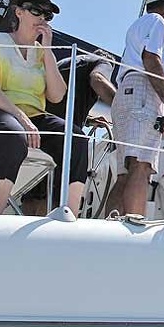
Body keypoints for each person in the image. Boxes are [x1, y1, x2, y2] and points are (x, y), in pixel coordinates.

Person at [0, 0, 88, 216]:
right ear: (19, 12)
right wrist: (22, 119)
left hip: (34, 118)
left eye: (48, 16)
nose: (42, 18)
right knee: (15, 137)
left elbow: (56, 95)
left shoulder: (42, 53)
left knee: (77, 138)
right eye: (36, 11)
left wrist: (48, 49)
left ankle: (69, 215)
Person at [105, 0, 164, 217]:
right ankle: (134, 224)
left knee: (126, 171)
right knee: (141, 165)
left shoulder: (141, 25)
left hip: (130, 94)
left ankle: (109, 226)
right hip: (143, 90)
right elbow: (151, 60)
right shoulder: (156, 22)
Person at [20, 50, 117, 216]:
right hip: (62, 137)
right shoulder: (102, 62)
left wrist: (88, 121)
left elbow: (60, 101)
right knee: (60, 187)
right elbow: (97, 79)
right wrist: (122, 108)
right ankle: (59, 223)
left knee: (35, 188)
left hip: (37, 126)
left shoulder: (67, 63)